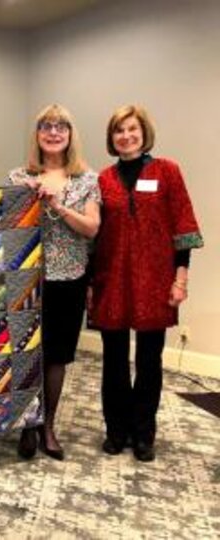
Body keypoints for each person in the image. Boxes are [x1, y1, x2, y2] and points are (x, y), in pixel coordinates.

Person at [89, 105, 203, 462]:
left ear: (143, 133)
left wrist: (180, 279)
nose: (125, 136)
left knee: (149, 361)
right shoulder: (102, 180)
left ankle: (143, 433)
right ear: (112, 138)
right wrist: (92, 285)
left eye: (132, 129)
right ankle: (116, 430)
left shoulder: (167, 172)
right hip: (112, 280)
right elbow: (94, 235)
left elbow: (183, 228)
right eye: (118, 130)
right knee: (114, 361)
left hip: (155, 281)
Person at [9, 104, 101, 461]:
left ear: (70, 134)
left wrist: (59, 205)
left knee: (57, 356)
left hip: (69, 279)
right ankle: (27, 426)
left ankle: (48, 426)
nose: (53, 131)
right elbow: (7, 228)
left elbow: (92, 228)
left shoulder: (86, 180)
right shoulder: (19, 177)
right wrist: (24, 200)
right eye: (46, 125)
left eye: (61, 126)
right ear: (37, 134)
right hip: (27, 279)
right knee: (27, 354)